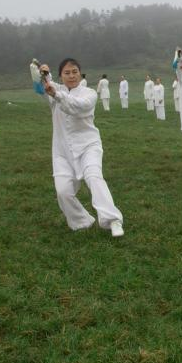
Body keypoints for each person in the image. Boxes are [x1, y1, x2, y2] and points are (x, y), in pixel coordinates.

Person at [33, 58, 124, 237]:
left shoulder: (88, 93)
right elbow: (40, 86)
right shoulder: (54, 90)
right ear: (60, 75)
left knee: (94, 176)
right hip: (61, 150)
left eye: (74, 71)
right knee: (63, 191)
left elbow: (78, 107)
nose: (71, 75)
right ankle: (82, 221)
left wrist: (56, 94)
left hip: (88, 145)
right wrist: (41, 73)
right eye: (67, 73)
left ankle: (113, 220)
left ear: (80, 72)